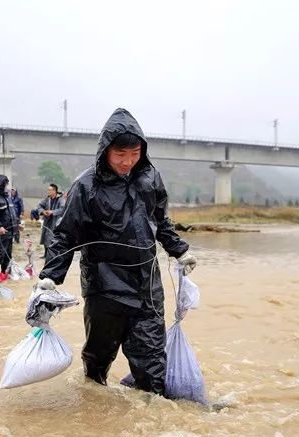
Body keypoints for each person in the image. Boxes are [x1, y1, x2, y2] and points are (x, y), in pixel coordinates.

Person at [37, 108, 198, 396]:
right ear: (106, 151)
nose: (127, 162)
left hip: (147, 287)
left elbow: (160, 221)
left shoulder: (150, 177)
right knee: (97, 364)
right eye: (120, 155)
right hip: (105, 288)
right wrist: (50, 277)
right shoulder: (86, 185)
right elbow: (66, 235)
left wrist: (179, 250)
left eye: (134, 154)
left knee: (152, 366)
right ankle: (94, 410)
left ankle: (152, 422)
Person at [36, 183, 66, 262]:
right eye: (48, 190)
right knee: (46, 237)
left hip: (56, 222)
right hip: (47, 221)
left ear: (55, 191)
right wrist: (43, 212)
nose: (48, 192)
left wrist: (52, 212)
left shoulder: (60, 199)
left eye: (50, 190)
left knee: (53, 238)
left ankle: (53, 254)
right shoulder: (47, 199)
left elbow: (63, 209)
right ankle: (46, 254)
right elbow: (39, 206)